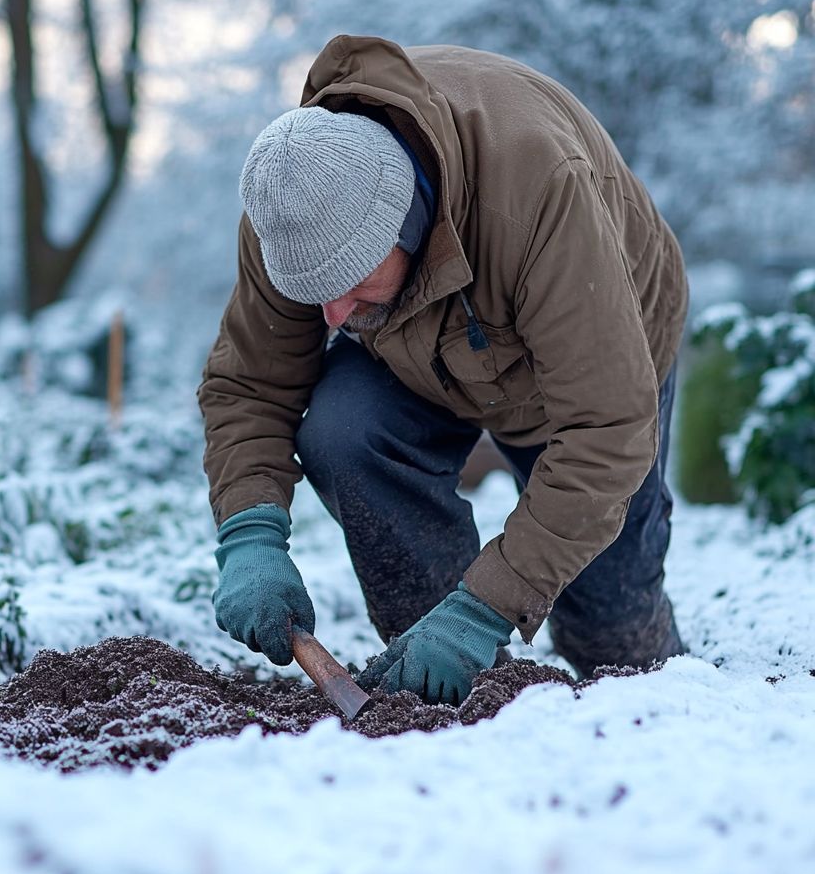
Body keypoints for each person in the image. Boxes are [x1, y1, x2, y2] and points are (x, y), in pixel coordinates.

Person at [197, 35, 689, 705]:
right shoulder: (295, 214)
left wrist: (489, 607)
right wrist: (249, 531)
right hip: (420, 357)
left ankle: (640, 653)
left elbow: (607, 426)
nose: (334, 316)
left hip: (596, 365)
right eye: (318, 295)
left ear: (404, 225)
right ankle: (443, 675)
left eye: (354, 285)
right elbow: (251, 383)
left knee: (611, 631)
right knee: (344, 431)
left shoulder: (539, 187)